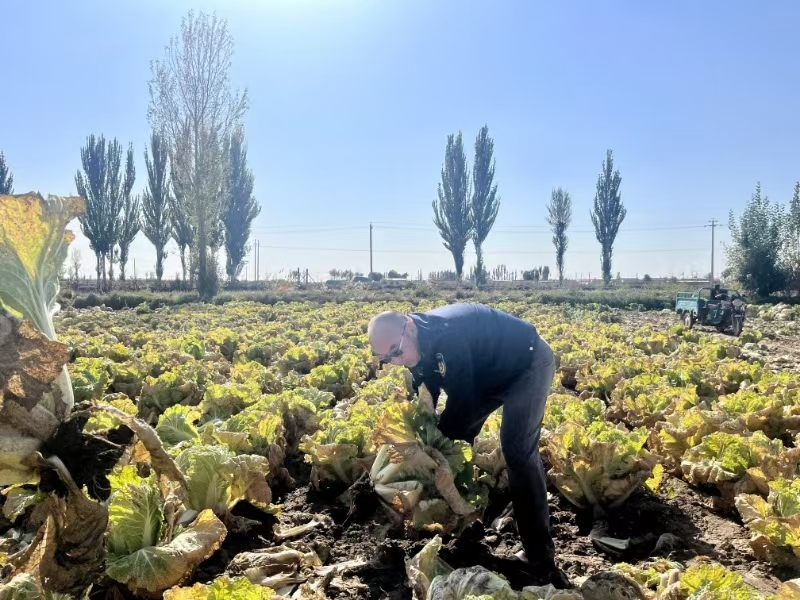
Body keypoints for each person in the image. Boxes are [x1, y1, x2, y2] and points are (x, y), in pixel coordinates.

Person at [367, 302, 569, 588]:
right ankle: (456, 519)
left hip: (526, 363)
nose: (396, 361)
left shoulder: (447, 337)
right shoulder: (414, 344)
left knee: (517, 451)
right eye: (387, 359)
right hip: (486, 374)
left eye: (396, 352)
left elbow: (464, 401)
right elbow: (427, 389)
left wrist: (435, 449)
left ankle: (539, 558)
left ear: (409, 327)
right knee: (452, 442)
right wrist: (424, 438)